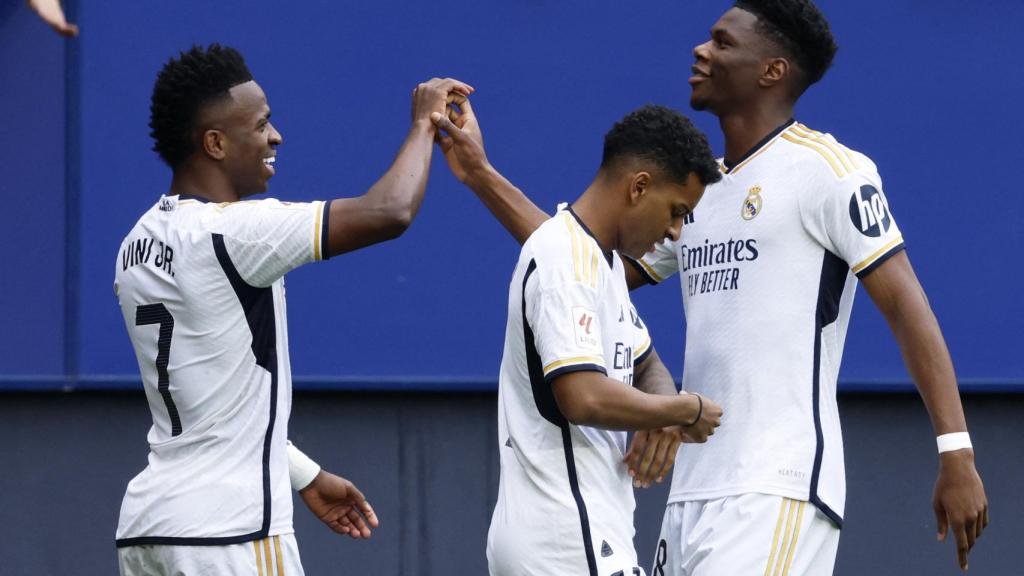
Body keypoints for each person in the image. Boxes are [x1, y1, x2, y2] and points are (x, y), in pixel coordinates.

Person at [430, 0, 988, 572]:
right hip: (690, 492)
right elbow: (579, 261)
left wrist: (956, 451)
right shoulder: (698, 193)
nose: (701, 50)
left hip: (776, 486)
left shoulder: (832, 171)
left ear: (772, 70)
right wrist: (478, 172)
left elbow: (905, 306)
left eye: (722, 42)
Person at [113, 44, 471, 574]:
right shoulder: (235, 230)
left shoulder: (135, 242)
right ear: (214, 143)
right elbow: (389, 211)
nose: (275, 136)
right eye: (260, 125)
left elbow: (210, 410)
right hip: (231, 534)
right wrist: (425, 123)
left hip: (149, 530)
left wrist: (302, 473)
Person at [439, 104, 724, 576]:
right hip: (568, 539)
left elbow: (645, 361)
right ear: (639, 186)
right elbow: (582, 396)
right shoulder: (564, 258)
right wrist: (685, 410)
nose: (674, 231)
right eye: (676, 212)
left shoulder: (601, 262)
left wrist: (661, 406)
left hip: (576, 534)